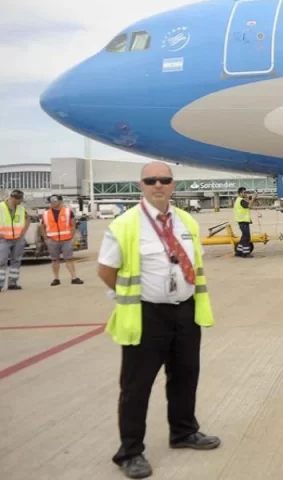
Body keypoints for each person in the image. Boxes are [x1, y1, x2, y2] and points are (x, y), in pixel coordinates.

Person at [96, 162, 220, 478]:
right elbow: (106, 271)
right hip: (147, 314)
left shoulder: (186, 221)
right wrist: (128, 295)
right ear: (141, 185)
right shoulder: (125, 224)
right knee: (136, 386)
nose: (158, 185)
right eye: (151, 180)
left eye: (164, 180)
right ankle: (130, 452)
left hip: (185, 310)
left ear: (173, 185)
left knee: (185, 375)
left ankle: (183, 432)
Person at [43, 194, 84, 285]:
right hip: (52, 240)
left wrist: (72, 237)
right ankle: (56, 279)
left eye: (55, 201)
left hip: (67, 239)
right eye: (51, 202)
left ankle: (74, 277)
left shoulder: (68, 212)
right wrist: (46, 238)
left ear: (60, 201)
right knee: (54, 260)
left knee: (69, 259)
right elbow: (43, 226)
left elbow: (73, 224)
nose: (53, 203)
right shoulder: (46, 213)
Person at [1, 189, 27, 291]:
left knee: (16, 261)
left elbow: (28, 218)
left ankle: (13, 283)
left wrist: (23, 231)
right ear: (12, 198)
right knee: (1, 262)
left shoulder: (21, 208)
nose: (20, 202)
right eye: (18, 200)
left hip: (18, 239)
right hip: (3, 239)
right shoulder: (1, 207)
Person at [233, 187, 253, 258]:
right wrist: (252, 199)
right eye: (244, 192)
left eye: (245, 192)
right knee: (246, 237)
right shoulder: (241, 200)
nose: (245, 194)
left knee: (243, 237)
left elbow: (246, 206)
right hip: (243, 221)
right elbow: (249, 206)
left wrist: (248, 198)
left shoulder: (238, 200)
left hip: (242, 221)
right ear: (240, 193)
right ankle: (246, 253)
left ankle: (238, 252)